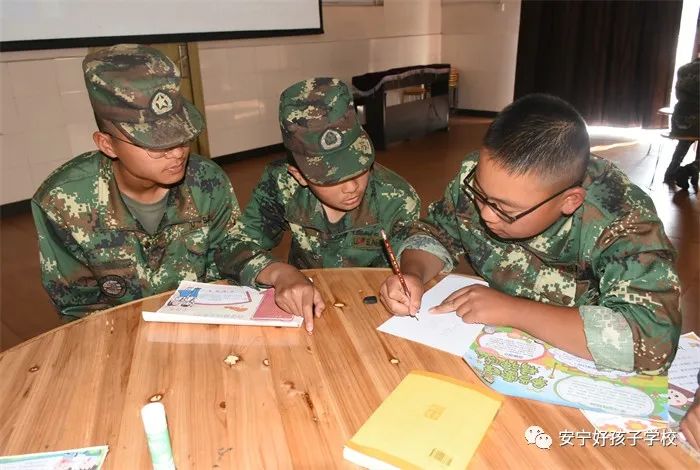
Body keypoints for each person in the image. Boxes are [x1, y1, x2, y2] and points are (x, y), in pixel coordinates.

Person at [379, 93, 680, 373]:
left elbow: (650, 339)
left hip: (573, 362)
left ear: (569, 201)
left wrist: (514, 311)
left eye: (505, 209)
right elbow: (436, 232)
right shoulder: (487, 176)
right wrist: (413, 274)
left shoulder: (622, 219)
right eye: (481, 194)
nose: (486, 213)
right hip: (494, 348)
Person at [32, 44, 240, 320]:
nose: (177, 152)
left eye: (182, 136)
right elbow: (79, 308)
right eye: (156, 144)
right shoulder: (62, 202)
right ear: (107, 144)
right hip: (116, 332)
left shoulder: (208, 182)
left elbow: (227, 269)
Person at [219, 77, 420, 332]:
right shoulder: (281, 183)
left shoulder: (396, 197)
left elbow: (417, 256)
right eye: (331, 178)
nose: (351, 186)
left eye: (359, 167)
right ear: (299, 175)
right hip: (305, 309)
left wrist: (410, 279)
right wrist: (279, 273)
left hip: (376, 313)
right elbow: (233, 246)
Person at [663, 55, 699, 187]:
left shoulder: (683, 69)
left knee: (684, 141)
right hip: (696, 120)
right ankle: (691, 169)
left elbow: (680, 95)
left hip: (678, 120)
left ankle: (671, 172)